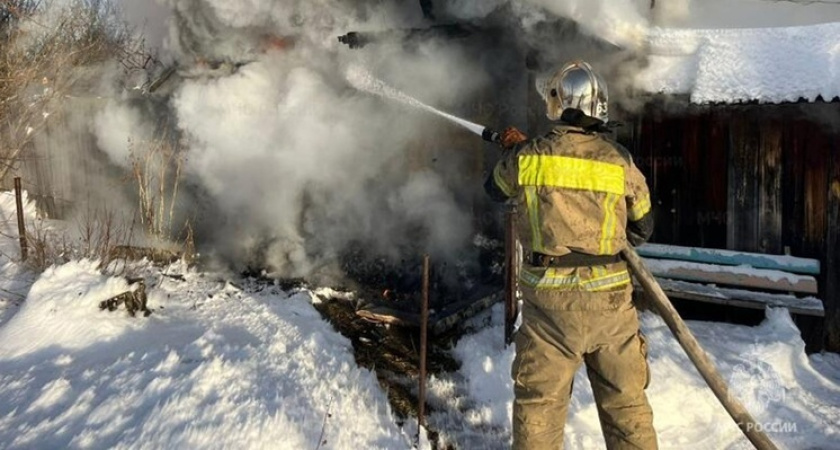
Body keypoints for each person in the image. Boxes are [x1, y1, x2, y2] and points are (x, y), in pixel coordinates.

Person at [485, 60, 657, 450]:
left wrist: (516, 150)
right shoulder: (619, 161)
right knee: (627, 408)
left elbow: (494, 188)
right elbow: (643, 228)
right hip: (610, 306)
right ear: (600, 106)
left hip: (549, 308)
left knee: (539, 408)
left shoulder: (529, 158)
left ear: (556, 104)